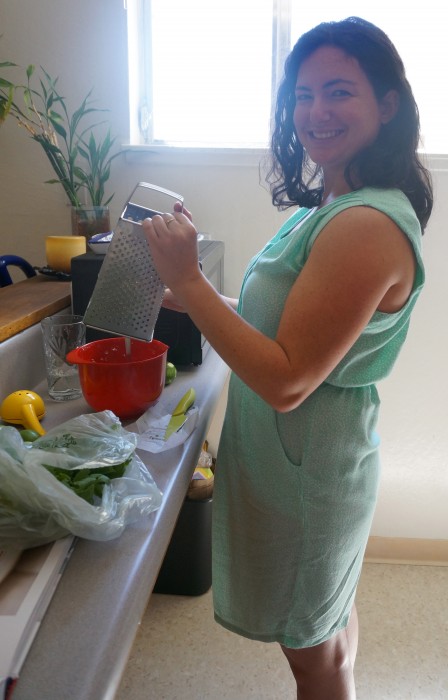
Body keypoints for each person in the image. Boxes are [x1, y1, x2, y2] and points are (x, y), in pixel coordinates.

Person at [143, 16, 433, 699]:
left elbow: (287, 379)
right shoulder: (333, 204)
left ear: (387, 103)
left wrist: (187, 282)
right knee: (326, 635)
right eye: (303, 95)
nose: (316, 112)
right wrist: (205, 297)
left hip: (310, 474)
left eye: (339, 92)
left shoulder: (365, 224)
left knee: (315, 657)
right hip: (305, 463)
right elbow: (288, 333)